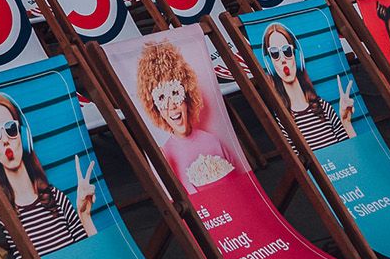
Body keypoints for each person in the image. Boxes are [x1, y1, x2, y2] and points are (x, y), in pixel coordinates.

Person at [0, 92, 93, 254]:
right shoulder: (5, 212)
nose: (5, 140)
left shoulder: (55, 196)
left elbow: (90, 250)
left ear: (23, 135)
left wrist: (85, 217)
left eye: (11, 129)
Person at [134, 35, 246, 191]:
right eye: (161, 98)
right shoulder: (164, 155)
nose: (171, 105)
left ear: (187, 95)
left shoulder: (213, 141)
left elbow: (241, 184)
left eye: (175, 93)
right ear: (156, 108)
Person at [259, 22, 355, 152]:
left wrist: (346, 123)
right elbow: (301, 163)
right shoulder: (283, 119)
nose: (282, 59)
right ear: (270, 63)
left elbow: (352, 150)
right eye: (275, 54)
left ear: (297, 56)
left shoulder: (322, 105)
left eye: (287, 51)